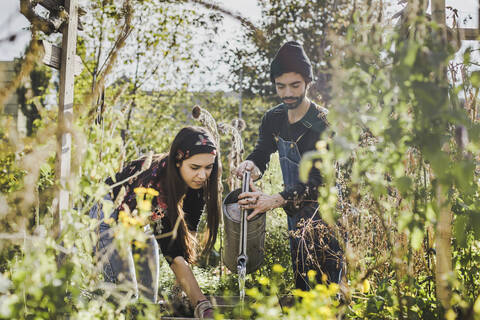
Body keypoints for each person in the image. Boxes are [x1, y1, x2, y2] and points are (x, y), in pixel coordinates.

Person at [234, 41, 344, 291]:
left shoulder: (323, 123)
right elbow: (263, 150)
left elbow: (320, 181)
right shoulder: (273, 118)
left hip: (326, 219)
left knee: (329, 296)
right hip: (297, 218)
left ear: (307, 82)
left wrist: (275, 199)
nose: (288, 93)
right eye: (280, 86)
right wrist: (252, 164)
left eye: (295, 85)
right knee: (303, 289)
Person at [90, 126, 220, 318]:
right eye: (195, 167)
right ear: (178, 161)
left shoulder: (198, 183)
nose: (202, 175)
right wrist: (201, 303)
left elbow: (188, 231)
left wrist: (183, 286)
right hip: (107, 214)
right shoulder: (156, 183)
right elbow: (171, 251)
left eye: (208, 167)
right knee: (126, 295)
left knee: (148, 299)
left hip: (139, 222)